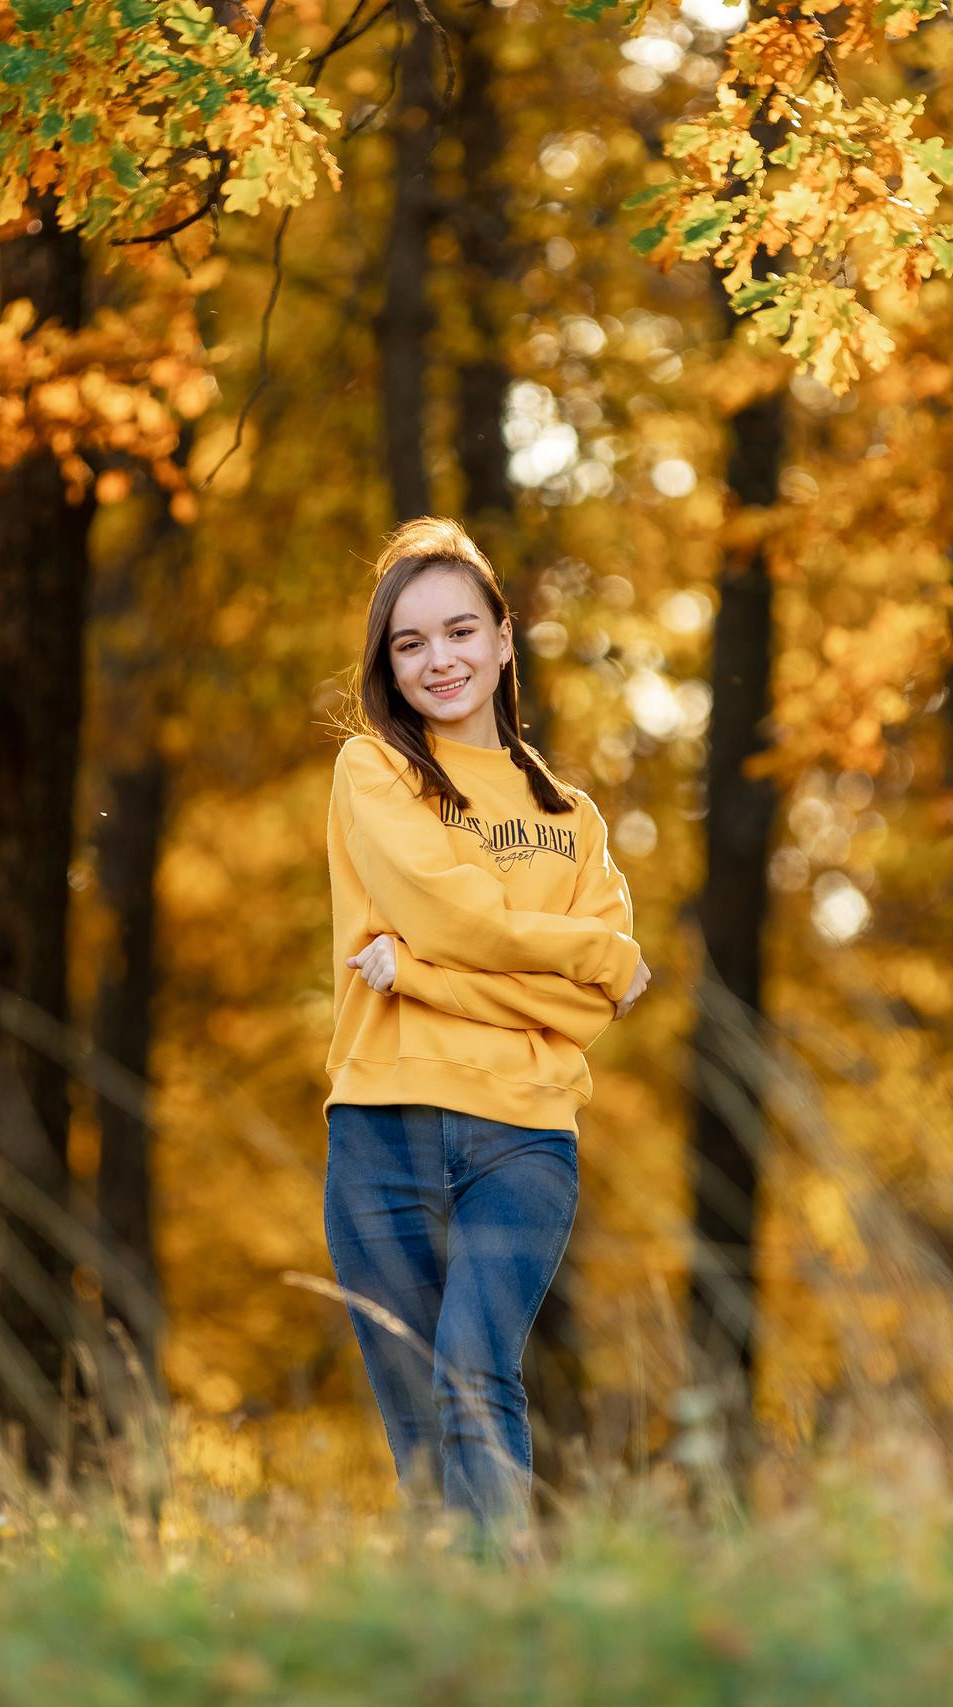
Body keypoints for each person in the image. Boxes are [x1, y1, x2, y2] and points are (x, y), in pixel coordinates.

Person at [320, 515, 652, 1560]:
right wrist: (585, 959)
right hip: (381, 1129)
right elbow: (455, 920)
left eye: (460, 632)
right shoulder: (372, 775)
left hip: (522, 1135)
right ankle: (456, 1639)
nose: (439, 661)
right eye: (408, 644)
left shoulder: (576, 819)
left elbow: (581, 1011)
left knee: (473, 1370)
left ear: (505, 639)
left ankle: (515, 1613)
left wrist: (425, 978)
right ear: (386, 664)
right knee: (419, 1430)